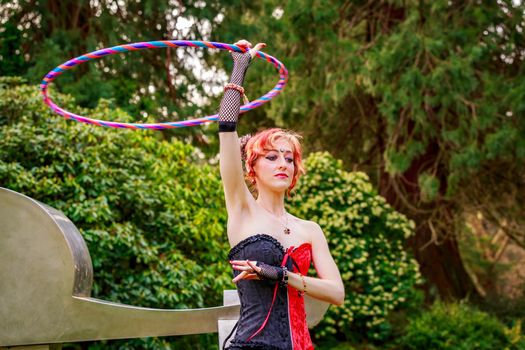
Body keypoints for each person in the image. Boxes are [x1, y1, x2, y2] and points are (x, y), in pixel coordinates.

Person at [219, 39, 344, 350]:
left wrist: (282, 275)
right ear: (252, 167)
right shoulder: (241, 209)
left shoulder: (310, 230)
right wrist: (239, 68)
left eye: (289, 158)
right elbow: (226, 128)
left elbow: (336, 293)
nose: (283, 164)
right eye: (272, 157)